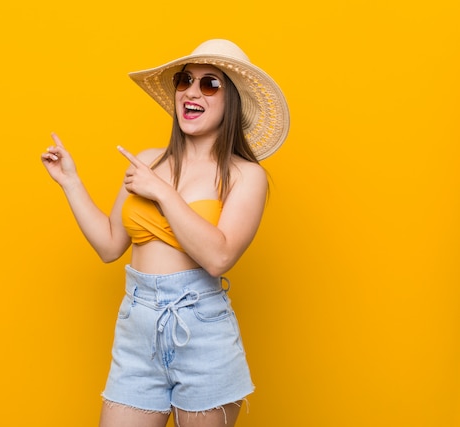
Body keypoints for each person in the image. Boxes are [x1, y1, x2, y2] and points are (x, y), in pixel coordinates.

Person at [41, 39, 289, 427]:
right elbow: (109, 246)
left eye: (210, 84)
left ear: (232, 101)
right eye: (185, 80)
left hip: (201, 329)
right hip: (137, 326)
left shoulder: (246, 175)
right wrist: (70, 182)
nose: (192, 91)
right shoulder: (146, 161)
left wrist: (161, 191)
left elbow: (219, 257)